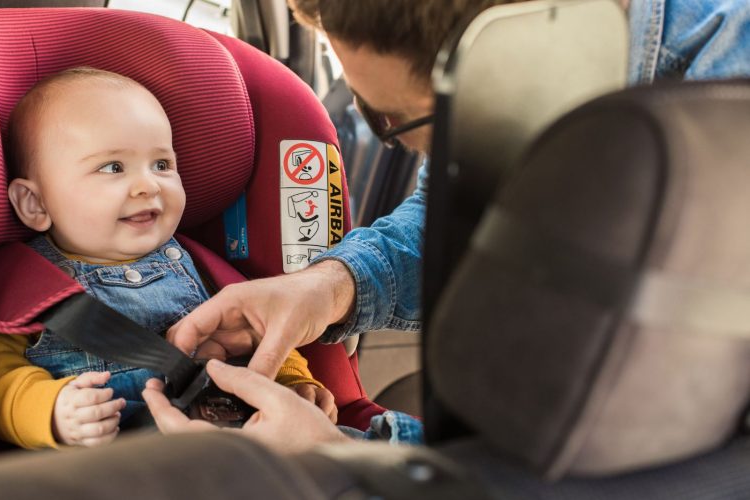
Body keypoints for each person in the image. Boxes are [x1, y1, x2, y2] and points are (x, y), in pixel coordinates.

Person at [145, 0, 750, 452]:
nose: (404, 147)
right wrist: (329, 287)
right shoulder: (517, 83)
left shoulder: (727, 114)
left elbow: (648, 458)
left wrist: (341, 460)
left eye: (394, 121)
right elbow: (458, 210)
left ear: (517, 56)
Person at [0, 67, 337, 450]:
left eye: (162, 165)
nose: (148, 185)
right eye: (112, 168)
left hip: (243, 446)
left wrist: (293, 381)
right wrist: (52, 411)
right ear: (35, 203)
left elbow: (260, 332)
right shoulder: (24, 288)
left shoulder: (202, 268)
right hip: (127, 467)